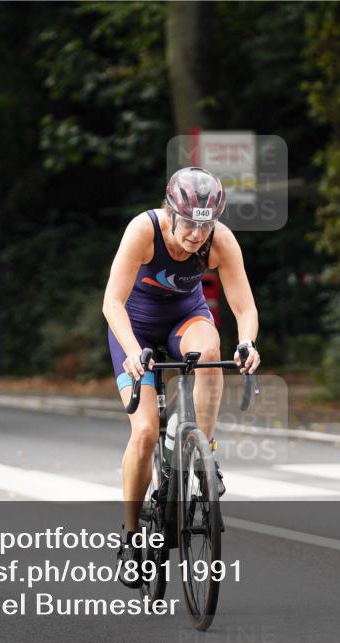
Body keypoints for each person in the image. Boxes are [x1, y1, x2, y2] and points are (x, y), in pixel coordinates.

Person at [103, 167, 261, 587]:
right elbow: (112, 302)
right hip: (133, 329)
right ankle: (132, 534)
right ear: (170, 210)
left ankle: (202, 451)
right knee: (144, 435)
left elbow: (244, 307)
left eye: (205, 224)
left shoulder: (220, 241)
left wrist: (246, 343)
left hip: (185, 320)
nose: (196, 233)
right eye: (189, 222)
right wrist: (134, 352)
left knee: (210, 353)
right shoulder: (144, 230)